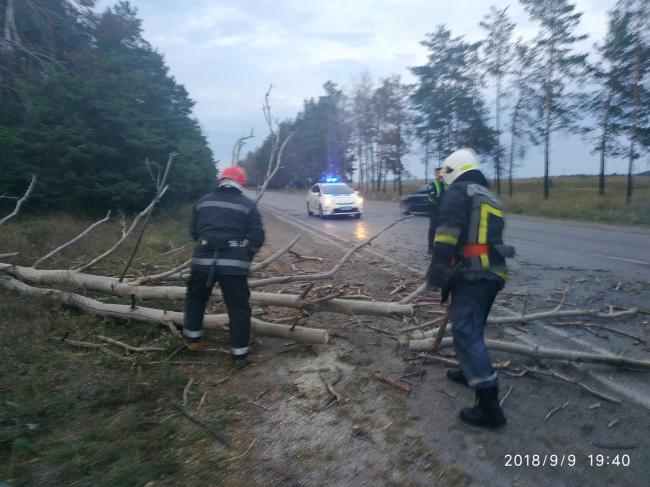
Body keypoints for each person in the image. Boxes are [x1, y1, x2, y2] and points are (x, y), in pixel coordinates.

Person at [426, 148, 515, 428]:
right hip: (493, 272)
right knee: (473, 327)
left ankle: (489, 406)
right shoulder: (487, 194)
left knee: (465, 330)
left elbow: (447, 231)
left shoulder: (458, 192)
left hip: (473, 273)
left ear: (453, 171)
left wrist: (438, 266)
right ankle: (469, 371)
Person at [183, 166, 265, 364]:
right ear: (241, 183)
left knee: (195, 299)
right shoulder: (247, 204)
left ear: (221, 180)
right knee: (238, 307)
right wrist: (246, 254)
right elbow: (258, 236)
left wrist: (206, 243)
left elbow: (194, 232)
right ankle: (239, 354)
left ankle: (192, 341)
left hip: (202, 260)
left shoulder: (203, 201)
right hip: (234, 263)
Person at [427, 167, 447, 254]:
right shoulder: (432, 184)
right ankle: (430, 248)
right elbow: (432, 197)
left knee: (442, 229)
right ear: (435, 174)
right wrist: (441, 204)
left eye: (441, 173)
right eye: (438, 173)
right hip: (434, 209)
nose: (440, 174)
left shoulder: (446, 184)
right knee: (433, 228)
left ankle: (439, 247)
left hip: (443, 210)